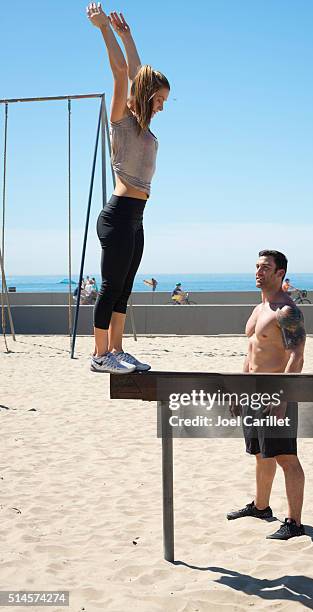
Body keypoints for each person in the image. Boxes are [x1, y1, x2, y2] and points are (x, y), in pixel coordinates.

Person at [87, 3, 170, 374]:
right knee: (109, 286)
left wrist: (128, 34)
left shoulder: (144, 124)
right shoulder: (121, 118)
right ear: (147, 96)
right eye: (159, 99)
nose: (162, 107)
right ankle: (99, 354)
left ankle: (117, 351)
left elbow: (138, 73)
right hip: (119, 214)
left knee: (124, 289)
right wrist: (105, 29)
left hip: (136, 217)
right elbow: (124, 72)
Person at [227, 250, 307, 540]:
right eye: (257, 267)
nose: (258, 272)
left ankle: (295, 522)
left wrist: (282, 398)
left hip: (275, 395)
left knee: (286, 457)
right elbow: (251, 354)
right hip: (252, 394)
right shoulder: (258, 310)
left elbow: (296, 356)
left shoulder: (286, 310)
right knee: (261, 454)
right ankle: (261, 507)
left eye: (265, 268)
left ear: (280, 273)